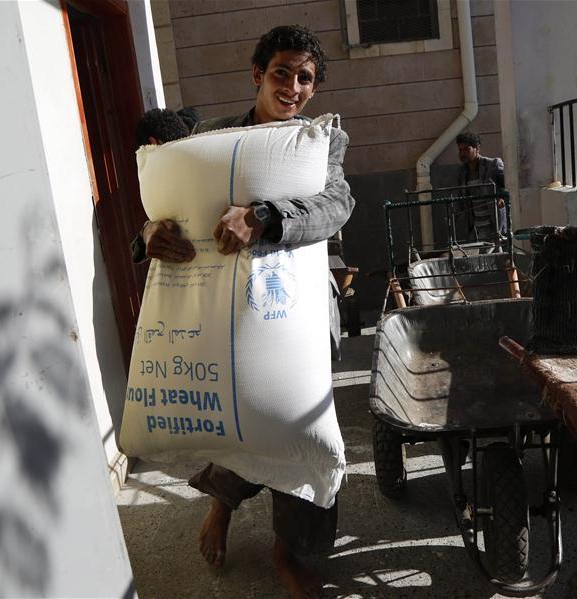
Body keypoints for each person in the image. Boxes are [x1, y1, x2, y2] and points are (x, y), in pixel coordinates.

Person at [129, 25, 354, 599]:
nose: (294, 87)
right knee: (239, 415)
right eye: (282, 72)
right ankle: (223, 503)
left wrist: (264, 218)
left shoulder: (321, 141)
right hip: (224, 313)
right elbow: (162, 212)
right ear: (258, 74)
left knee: (295, 424)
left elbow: (335, 204)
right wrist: (149, 235)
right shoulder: (210, 138)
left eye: (306, 78)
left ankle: (292, 550)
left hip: (295, 315)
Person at [456, 132, 507, 246]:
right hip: (476, 230)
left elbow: (507, 187)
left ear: (477, 149)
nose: (462, 153)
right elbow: (461, 200)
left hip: (495, 227)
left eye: (466, 149)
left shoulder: (493, 165)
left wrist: (501, 197)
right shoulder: (461, 173)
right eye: (460, 150)